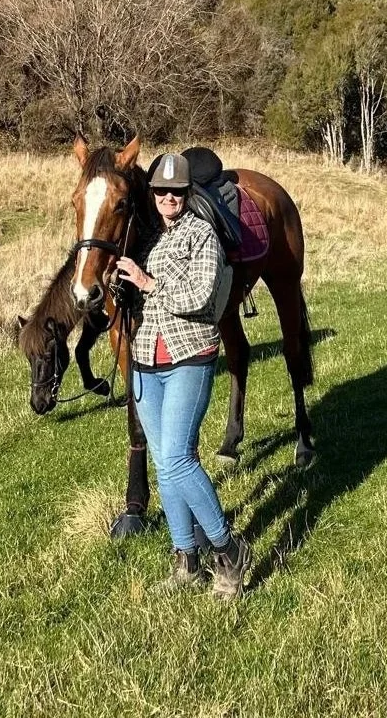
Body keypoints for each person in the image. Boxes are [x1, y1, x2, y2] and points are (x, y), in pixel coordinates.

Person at [115, 151, 253, 600]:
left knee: (178, 458)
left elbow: (198, 295)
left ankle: (229, 551)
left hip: (188, 357)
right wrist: (123, 289)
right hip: (145, 361)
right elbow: (134, 293)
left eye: (176, 191)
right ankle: (185, 561)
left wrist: (148, 282)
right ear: (152, 194)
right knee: (162, 462)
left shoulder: (203, 235)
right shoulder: (148, 238)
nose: (168, 198)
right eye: (160, 191)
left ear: (186, 193)